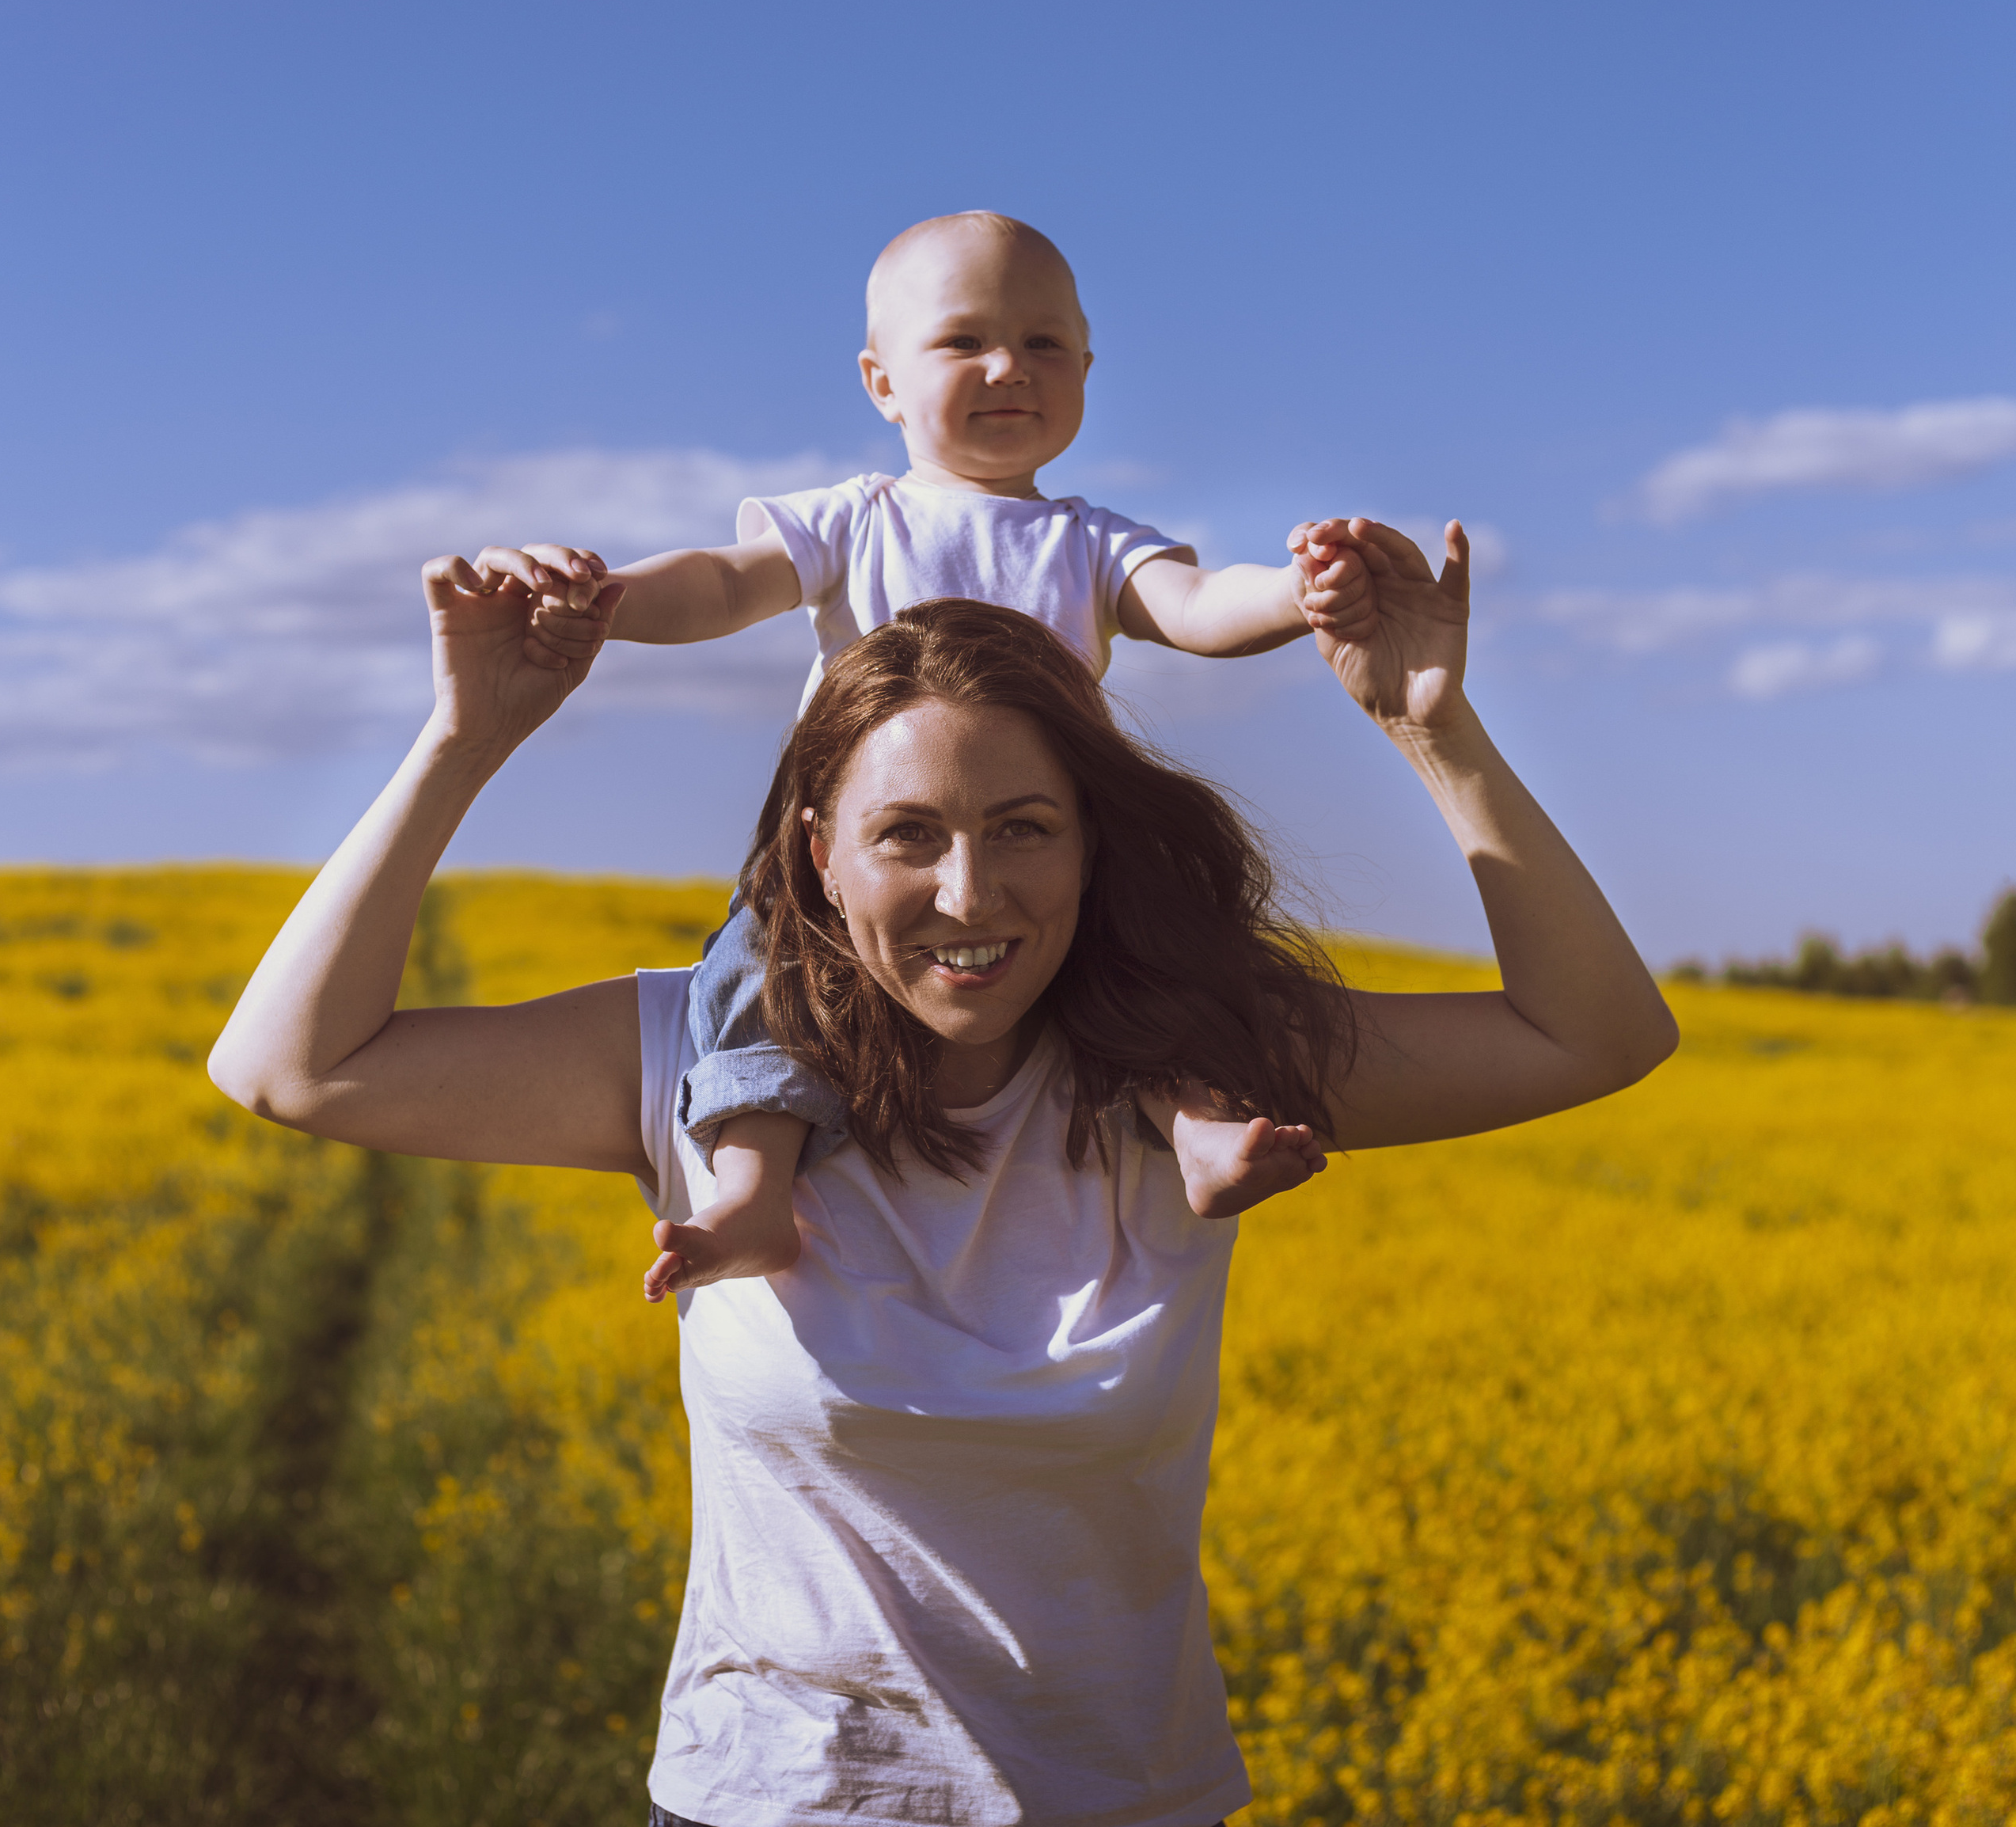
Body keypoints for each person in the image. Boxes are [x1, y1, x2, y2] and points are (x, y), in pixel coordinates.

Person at [207, 520, 1677, 1827]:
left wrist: (1431, 724)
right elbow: (290, 1065)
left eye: (1023, 829)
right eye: (905, 833)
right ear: (812, 860)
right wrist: (467, 740)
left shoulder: (1194, 1073)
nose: (969, 894)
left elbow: (1590, 1035)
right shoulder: (686, 1064)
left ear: (1094, 847)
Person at [460, 208, 1360, 1285]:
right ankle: (750, 1193)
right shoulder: (855, 520)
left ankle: (1200, 1129)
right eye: (963, 341)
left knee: (1158, 954)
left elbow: (1205, 605)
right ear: (881, 383)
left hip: (1048, 845)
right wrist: (606, 600)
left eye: (1041, 344)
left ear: (1084, 369)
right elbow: (722, 581)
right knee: (761, 978)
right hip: (864, 862)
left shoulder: (1092, 539)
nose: (1006, 367)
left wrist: (1306, 592)